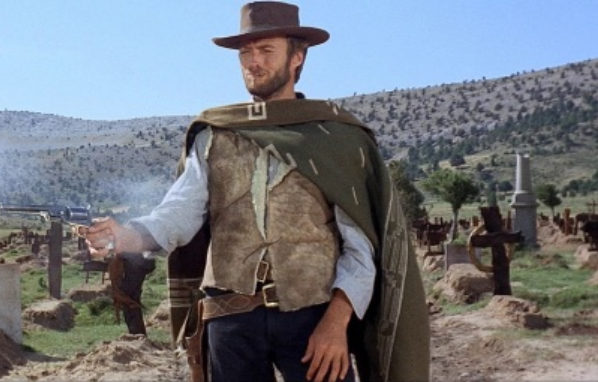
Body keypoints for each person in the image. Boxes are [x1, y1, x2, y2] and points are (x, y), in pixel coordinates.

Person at [85, 2, 430, 381]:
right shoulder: (215, 134)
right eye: (246, 53)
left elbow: (361, 246)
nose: (253, 62)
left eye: (266, 50)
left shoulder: (336, 141)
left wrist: (336, 322)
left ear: (297, 57)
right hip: (230, 320)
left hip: (312, 317)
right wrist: (127, 236)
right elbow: (179, 214)